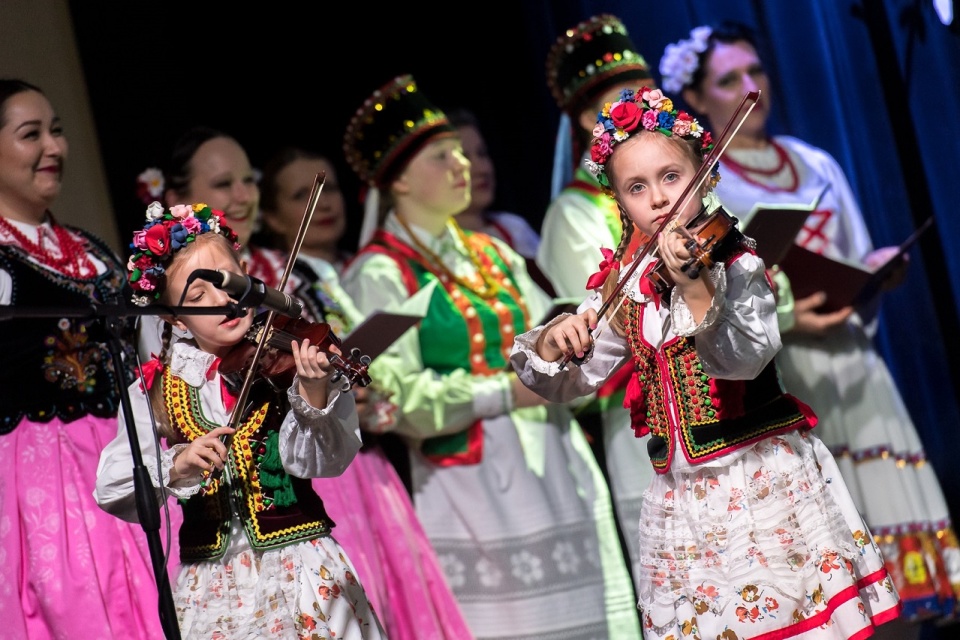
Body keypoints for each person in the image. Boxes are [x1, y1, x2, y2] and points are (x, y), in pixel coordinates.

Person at [509, 84, 902, 639]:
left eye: (672, 177)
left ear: (705, 175)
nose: (660, 199)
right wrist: (556, 338)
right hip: (685, 499)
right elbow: (574, 375)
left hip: (761, 480)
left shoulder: (733, 262)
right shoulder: (627, 283)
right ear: (620, 203)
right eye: (637, 188)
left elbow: (743, 358)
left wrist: (695, 285)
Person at [660, 21, 960, 624]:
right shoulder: (702, 187)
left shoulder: (813, 160)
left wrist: (873, 272)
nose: (751, 86)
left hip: (851, 357)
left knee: (895, 552)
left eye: (756, 71)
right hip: (784, 366)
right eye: (729, 79)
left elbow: (852, 248)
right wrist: (791, 317)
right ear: (696, 97)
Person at [339, 74, 642, 639]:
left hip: (556, 459)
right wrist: (506, 389)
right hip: (470, 485)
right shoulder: (380, 273)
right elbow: (394, 397)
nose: (461, 163)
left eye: (460, 149)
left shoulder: (494, 252)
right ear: (399, 179)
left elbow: (554, 335)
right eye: (440, 155)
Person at [94, 201, 386, 638]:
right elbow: (112, 484)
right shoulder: (155, 389)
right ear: (174, 318)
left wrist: (313, 392)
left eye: (228, 283)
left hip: (303, 572)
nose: (223, 301)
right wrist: (177, 465)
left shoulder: (283, 359)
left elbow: (323, 462)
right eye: (198, 297)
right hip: (210, 587)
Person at [258, 144, 475, 639]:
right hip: (331, 465)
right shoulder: (277, 279)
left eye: (332, 187)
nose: (326, 201)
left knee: (402, 595)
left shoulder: (341, 273)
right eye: (302, 194)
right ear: (272, 216)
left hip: (372, 458)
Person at [0, 78, 167, 639]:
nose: (54, 147)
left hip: (131, 451)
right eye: (31, 135)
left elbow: (151, 360)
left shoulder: (95, 251)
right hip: (41, 476)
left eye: (57, 131)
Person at [539, 13, 659, 588]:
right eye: (629, 97)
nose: (650, 101)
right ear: (591, 119)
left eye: (649, 88)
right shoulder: (575, 213)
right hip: (644, 416)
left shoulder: (684, 194)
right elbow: (593, 337)